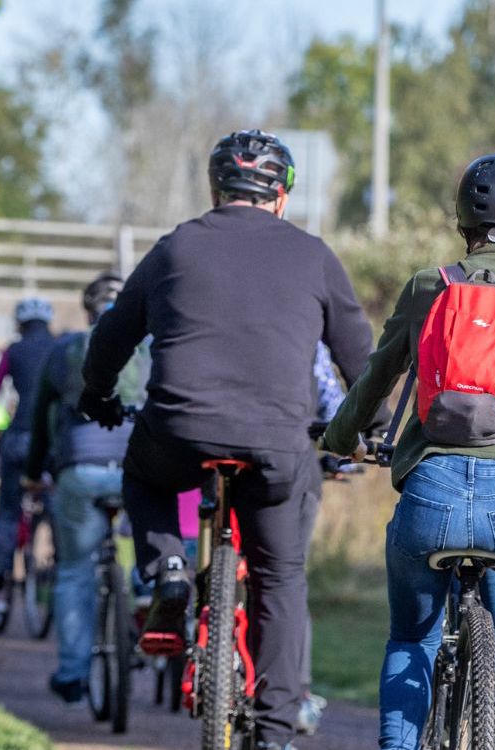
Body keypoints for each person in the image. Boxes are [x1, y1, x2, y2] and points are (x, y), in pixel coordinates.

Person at [78, 129, 373, 750]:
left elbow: (112, 335)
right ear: (282, 195)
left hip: (179, 429)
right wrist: (368, 430)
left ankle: (171, 568)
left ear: (215, 189)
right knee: (280, 578)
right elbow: (358, 356)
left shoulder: (174, 247)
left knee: (144, 474)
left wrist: (96, 395)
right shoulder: (314, 255)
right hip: (277, 442)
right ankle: (272, 733)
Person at [321, 153, 495, 750]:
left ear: (462, 226)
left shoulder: (430, 285)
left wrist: (341, 439)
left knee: (412, 639)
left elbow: (376, 377)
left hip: (431, 498)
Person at [25, 276, 141, 701]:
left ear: (87, 310)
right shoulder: (148, 347)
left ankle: (73, 675)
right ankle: (150, 607)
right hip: (137, 466)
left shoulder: (65, 350)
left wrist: (35, 470)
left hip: (80, 467)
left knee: (74, 569)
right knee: (152, 539)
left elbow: (41, 419)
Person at [0, 297, 60, 619]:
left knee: (8, 513)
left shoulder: (14, 351)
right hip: (53, 441)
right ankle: (60, 568)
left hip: (19, 438)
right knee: (55, 505)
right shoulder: (60, 348)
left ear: (20, 325)